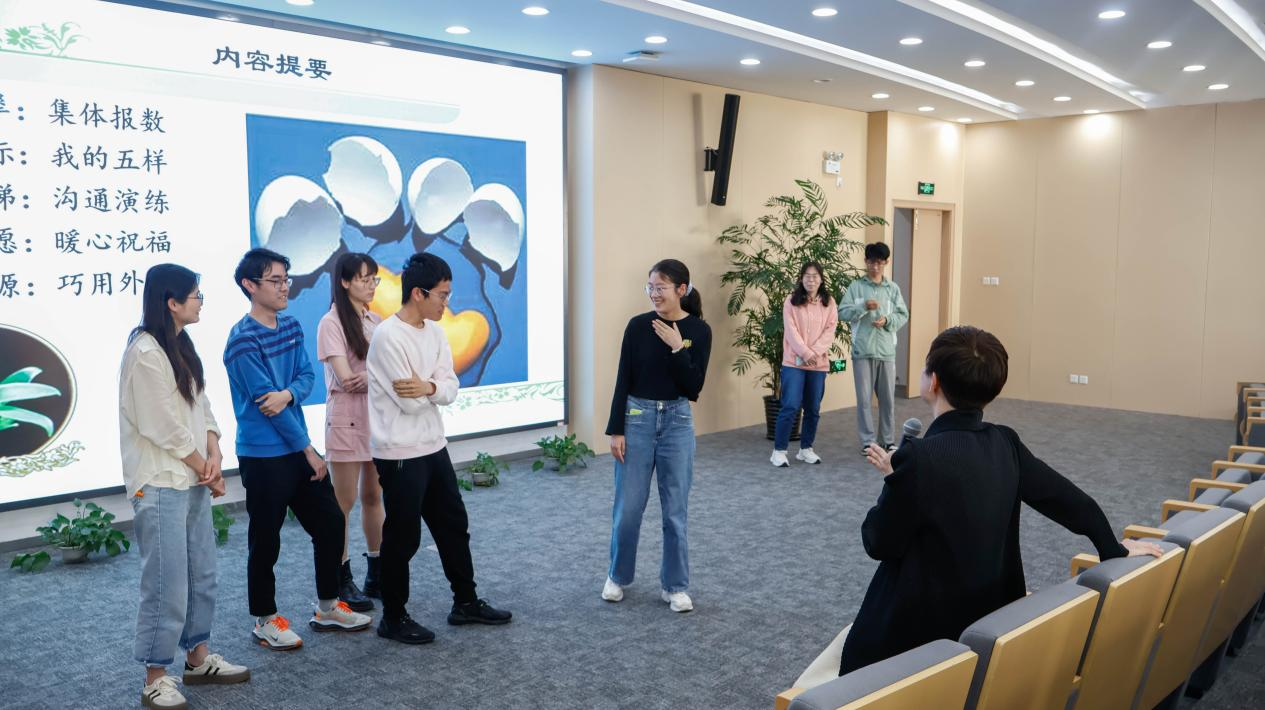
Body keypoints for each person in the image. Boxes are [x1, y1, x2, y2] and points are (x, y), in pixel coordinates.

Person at [836, 325, 1163, 674]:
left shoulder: (918, 458)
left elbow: (878, 542)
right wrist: (1112, 547)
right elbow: (1068, 501)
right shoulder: (1005, 443)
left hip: (918, 642)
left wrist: (893, 481)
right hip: (991, 625)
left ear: (934, 382)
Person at [224, 247, 371, 651]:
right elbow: (265, 405)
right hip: (263, 454)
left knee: (330, 522)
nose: (284, 287)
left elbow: (307, 378)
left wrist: (288, 394)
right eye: (275, 280)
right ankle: (265, 619)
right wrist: (307, 447)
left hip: (297, 446)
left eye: (285, 279)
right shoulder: (241, 340)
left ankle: (327, 606)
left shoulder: (290, 327)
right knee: (265, 540)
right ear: (249, 285)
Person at [120, 264, 249, 710]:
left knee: (202, 574)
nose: (200, 302)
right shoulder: (144, 352)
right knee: (166, 582)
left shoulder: (182, 345)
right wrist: (204, 466)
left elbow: (202, 406)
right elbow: (161, 425)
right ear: (171, 302)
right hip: (160, 483)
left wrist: (214, 451)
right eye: (195, 296)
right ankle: (155, 676)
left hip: (192, 478)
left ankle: (197, 658)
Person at [366, 252, 512, 644]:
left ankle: (465, 602)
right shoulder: (388, 337)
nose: (447, 302)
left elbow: (449, 388)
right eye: (442, 295)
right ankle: (393, 617)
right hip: (399, 451)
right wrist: (433, 389)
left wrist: (428, 385)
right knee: (404, 537)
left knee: (453, 526)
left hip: (433, 445)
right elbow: (410, 403)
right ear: (418, 293)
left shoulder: (435, 332)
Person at [603, 258, 712, 613]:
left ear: (681, 289)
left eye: (660, 287)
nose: (654, 293)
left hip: (677, 422)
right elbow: (623, 377)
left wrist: (678, 347)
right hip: (637, 419)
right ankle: (617, 576)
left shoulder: (699, 330)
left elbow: (693, 387)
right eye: (650, 287)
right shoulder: (637, 326)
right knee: (628, 508)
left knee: (675, 512)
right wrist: (616, 429)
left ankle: (675, 586)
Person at [317, 252, 384, 612]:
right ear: (344, 282)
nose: (371, 285)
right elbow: (347, 380)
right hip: (346, 420)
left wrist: (372, 377)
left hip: (376, 419)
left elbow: (385, 373)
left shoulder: (375, 320)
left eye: (374, 279)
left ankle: (377, 572)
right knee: (341, 504)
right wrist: (376, 377)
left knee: (374, 496)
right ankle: (342, 578)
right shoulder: (331, 323)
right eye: (363, 278)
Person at [838, 242, 908, 455]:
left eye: (879, 262)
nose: (875, 266)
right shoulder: (856, 287)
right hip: (862, 350)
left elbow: (903, 314)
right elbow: (842, 312)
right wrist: (862, 307)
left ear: (886, 262)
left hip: (886, 351)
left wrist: (887, 320)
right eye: (871, 262)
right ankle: (868, 442)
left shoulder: (892, 289)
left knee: (887, 400)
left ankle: (887, 440)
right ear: (865, 261)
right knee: (864, 400)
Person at [771, 262, 839, 468]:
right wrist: (806, 353)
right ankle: (779, 451)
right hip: (794, 363)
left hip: (818, 364)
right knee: (790, 405)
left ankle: (806, 449)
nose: (811, 280)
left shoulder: (829, 303)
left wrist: (814, 353)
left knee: (813, 408)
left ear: (821, 279)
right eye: (807, 276)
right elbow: (791, 331)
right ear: (801, 278)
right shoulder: (791, 301)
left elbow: (830, 331)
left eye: (815, 276)